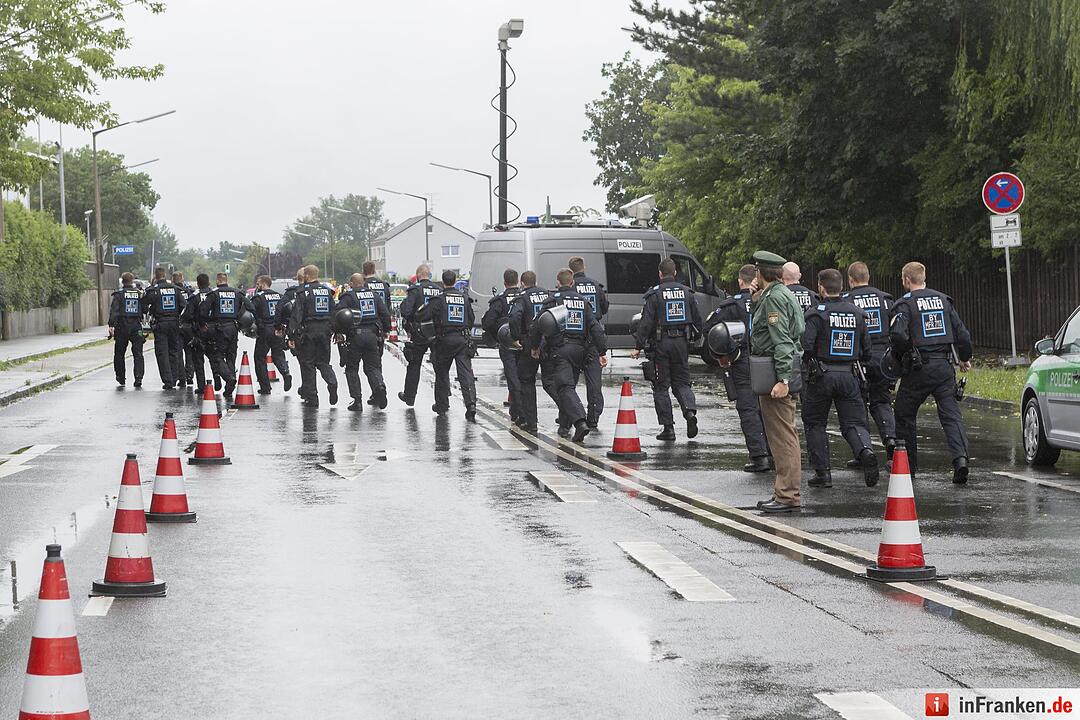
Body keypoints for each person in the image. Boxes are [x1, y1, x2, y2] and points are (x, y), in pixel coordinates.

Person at [889, 261, 973, 483]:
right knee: (951, 415)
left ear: (907, 280)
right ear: (923, 278)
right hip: (944, 368)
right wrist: (964, 358)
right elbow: (962, 334)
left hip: (918, 368)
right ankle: (961, 460)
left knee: (904, 412)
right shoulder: (943, 300)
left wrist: (904, 355)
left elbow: (898, 335)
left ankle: (909, 467)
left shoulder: (904, 304)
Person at [800, 269, 879, 488]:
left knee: (815, 423)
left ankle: (823, 474)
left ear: (821, 287)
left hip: (821, 376)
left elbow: (806, 345)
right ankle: (865, 451)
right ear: (842, 286)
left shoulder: (816, 314)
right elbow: (867, 351)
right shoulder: (857, 313)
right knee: (854, 422)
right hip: (849, 375)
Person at [749, 251, 805, 513]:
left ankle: (787, 495)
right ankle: (785, 492)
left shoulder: (774, 299)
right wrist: (756, 298)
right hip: (776, 369)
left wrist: (783, 379)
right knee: (783, 434)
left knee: (782, 437)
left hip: (776, 371)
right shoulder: (777, 294)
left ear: (761, 272)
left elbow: (782, 341)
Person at [530, 268, 607, 442]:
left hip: (560, 350)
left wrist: (534, 347)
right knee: (568, 387)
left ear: (558, 282)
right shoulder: (583, 301)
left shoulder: (553, 301)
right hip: (580, 350)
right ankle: (564, 426)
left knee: (565, 387)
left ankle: (580, 423)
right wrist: (602, 351)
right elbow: (595, 327)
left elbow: (537, 325)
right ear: (572, 283)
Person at [631, 257, 704, 442]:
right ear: (675, 273)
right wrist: (695, 339)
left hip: (661, 344)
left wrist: (638, 346)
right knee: (682, 383)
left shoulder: (654, 294)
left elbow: (646, 323)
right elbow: (698, 321)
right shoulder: (687, 293)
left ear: (660, 274)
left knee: (661, 386)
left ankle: (668, 428)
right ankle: (689, 412)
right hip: (681, 344)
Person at [706, 264, 770, 470]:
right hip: (767, 361)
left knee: (748, 409)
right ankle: (774, 454)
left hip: (742, 361)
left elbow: (710, 330)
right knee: (769, 409)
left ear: (740, 281)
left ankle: (759, 457)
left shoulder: (731, 305)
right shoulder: (770, 300)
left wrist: (722, 355)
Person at [842, 262, 896, 460]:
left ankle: (864, 451)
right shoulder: (885, 299)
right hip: (883, 358)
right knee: (881, 401)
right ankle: (890, 438)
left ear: (850, 279)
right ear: (868, 277)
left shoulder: (846, 301)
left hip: (858, 360)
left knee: (857, 404)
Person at [427, 269, 478, 421]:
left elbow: (426, 316)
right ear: (455, 281)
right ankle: (471, 404)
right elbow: (471, 319)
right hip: (462, 340)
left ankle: (441, 404)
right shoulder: (465, 298)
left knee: (442, 373)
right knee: (466, 374)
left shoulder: (438, 299)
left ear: (443, 282)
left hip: (444, 340)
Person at [335, 273, 389, 411]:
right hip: (372, 336)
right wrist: (386, 329)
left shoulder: (348, 296)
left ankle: (357, 401)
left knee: (352, 368)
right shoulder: (374, 295)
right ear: (363, 282)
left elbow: (339, 315)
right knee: (372, 367)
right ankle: (379, 387)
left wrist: (338, 332)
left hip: (355, 337)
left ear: (351, 283)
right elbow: (384, 313)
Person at [288, 265, 339, 407]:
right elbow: (334, 312)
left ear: (306, 276)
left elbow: (297, 315)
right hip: (325, 331)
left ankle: (312, 397)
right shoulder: (327, 291)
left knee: (308, 364)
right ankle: (332, 382)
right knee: (323, 363)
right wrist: (335, 331)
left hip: (309, 331)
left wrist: (291, 335)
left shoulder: (302, 292)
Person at [509, 271, 551, 432]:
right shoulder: (548, 295)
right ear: (536, 281)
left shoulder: (522, 297)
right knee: (552, 382)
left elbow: (514, 317)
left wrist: (516, 337)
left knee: (526, 381)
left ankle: (531, 421)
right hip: (548, 342)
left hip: (529, 342)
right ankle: (568, 418)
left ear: (522, 283)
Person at [570, 256, 609, 429]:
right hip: (593, 338)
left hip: (574, 338)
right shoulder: (596, 286)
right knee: (594, 382)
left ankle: (569, 416)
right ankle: (593, 417)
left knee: (569, 381)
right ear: (584, 267)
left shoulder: (570, 287)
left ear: (570, 270)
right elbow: (604, 307)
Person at [200, 272, 252, 399]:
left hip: (219, 328)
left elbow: (203, 311)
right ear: (226, 280)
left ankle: (229, 378)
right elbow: (250, 306)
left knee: (217, 356)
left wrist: (203, 324)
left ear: (218, 281)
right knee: (231, 356)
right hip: (233, 327)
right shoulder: (237, 293)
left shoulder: (214, 294)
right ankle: (230, 387)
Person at [397, 264, 443, 406]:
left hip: (419, 332)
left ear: (417, 276)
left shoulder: (415, 289)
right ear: (429, 275)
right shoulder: (439, 290)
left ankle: (410, 397)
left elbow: (406, 310)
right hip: (436, 332)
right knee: (440, 366)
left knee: (414, 364)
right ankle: (443, 399)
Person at [482, 269, 523, 423]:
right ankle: (524, 412)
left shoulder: (499, 300)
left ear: (504, 282)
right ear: (518, 281)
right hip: (525, 343)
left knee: (513, 379)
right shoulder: (524, 297)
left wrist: (499, 334)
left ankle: (517, 411)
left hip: (507, 345)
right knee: (525, 379)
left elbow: (488, 323)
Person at [141, 267, 186, 390]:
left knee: (162, 353)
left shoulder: (154, 290)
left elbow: (143, 303)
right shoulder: (175, 289)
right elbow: (183, 305)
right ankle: (174, 378)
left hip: (160, 323)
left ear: (156, 277)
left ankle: (168, 381)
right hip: (174, 323)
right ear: (165, 275)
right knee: (174, 351)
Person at [251, 275, 292, 395]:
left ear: (264, 284)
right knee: (278, 355)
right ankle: (286, 372)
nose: (257, 286)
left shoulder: (258, 297)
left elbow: (251, 311)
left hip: (265, 329)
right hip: (278, 329)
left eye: (258, 283)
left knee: (259, 358)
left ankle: (265, 387)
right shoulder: (279, 296)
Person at [108, 272, 145, 387]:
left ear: (123, 282)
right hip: (136, 326)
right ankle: (138, 378)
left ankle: (121, 377)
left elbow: (114, 311)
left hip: (122, 327)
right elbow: (145, 309)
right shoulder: (139, 294)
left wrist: (111, 325)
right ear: (132, 281)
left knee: (119, 353)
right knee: (138, 353)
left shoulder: (119, 295)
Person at [180, 273, 216, 392]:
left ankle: (201, 386)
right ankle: (217, 381)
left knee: (198, 359)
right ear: (208, 282)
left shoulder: (194, 297)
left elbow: (187, 315)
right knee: (214, 357)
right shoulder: (214, 294)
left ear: (198, 284)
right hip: (213, 330)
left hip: (199, 330)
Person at [171, 271, 195, 386]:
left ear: (172, 280)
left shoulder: (172, 291)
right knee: (189, 351)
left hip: (176, 324)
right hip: (188, 325)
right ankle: (189, 375)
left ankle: (181, 378)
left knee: (178, 352)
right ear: (182, 279)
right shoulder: (188, 291)